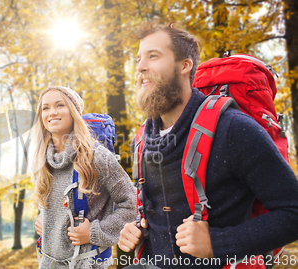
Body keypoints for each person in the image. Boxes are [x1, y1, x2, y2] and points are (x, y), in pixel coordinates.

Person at [118, 23, 298, 268]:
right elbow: (160, 217)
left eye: (153, 56)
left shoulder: (233, 129)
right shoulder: (141, 141)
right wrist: (135, 229)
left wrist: (218, 243)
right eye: (139, 59)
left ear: (184, 65)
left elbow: (293, 212)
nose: (140, 67)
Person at [32, 86, 136, 268]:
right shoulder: (42, 160)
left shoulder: (96, 157)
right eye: (45, 108)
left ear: (74, 112)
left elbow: (132, 203)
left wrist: (95, 232)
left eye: (59, 105)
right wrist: (44, 221)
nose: (52, 112)